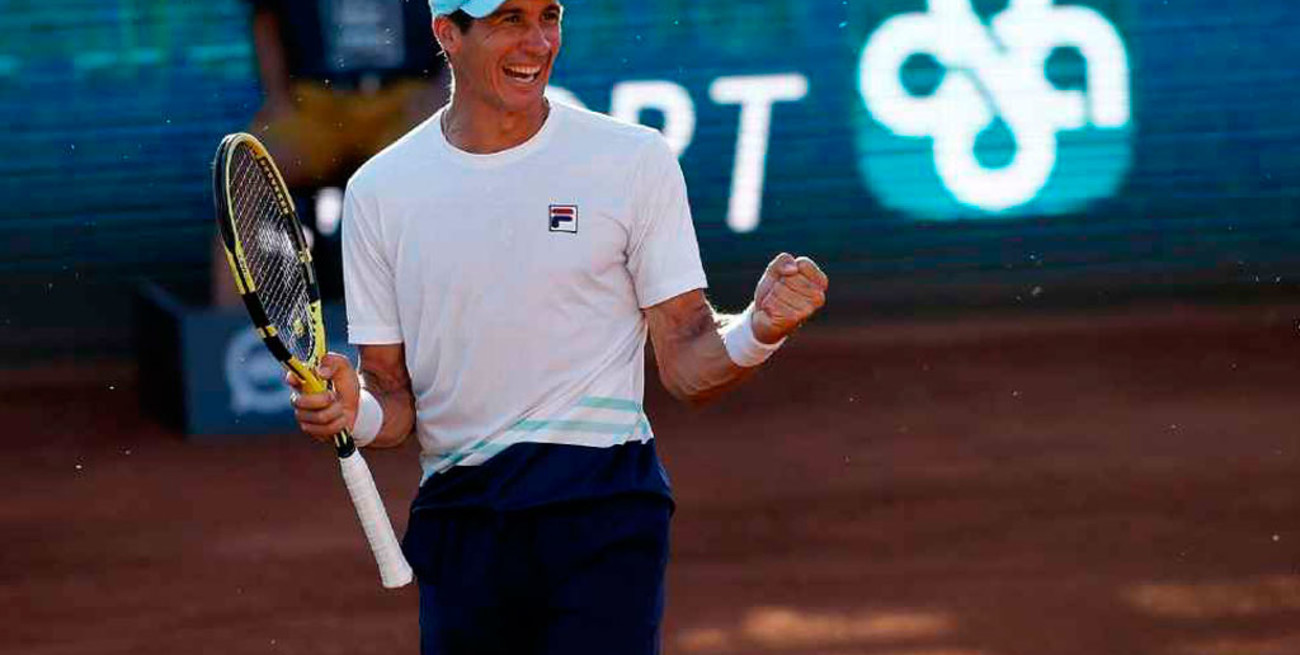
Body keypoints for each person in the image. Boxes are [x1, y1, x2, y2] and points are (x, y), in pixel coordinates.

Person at [287, 0, 830, 653]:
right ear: (446, 34)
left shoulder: (633, 160)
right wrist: (355, 410)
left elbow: (688, 360)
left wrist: (760, 328)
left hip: (603, 505)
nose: (538, 42)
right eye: (509, 20)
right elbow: (393, 397)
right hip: (463, 516)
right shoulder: (380, 192)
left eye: (550, 16)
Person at [212, 0, 449, 307]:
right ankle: (237, 340)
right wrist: (277, 97)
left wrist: (443, 88)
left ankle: (446, 322)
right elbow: (265, 16)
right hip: (317, 104)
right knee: (243, 173)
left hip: (406, 100)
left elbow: (465, 14)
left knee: (444, 166)